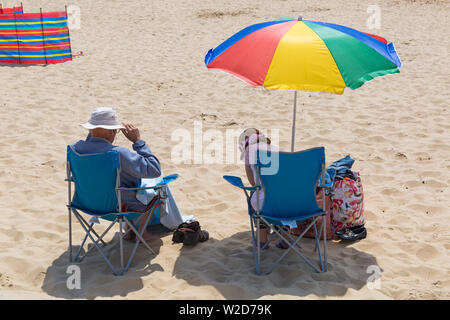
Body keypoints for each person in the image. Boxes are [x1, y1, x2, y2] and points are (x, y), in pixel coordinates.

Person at [71, 107, 163, 241]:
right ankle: (142, 233)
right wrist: (138, 141)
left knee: (120, 186)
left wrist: (94, 134)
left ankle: (130, 229)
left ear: (90, 129)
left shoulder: (74, 149)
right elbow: (154, 169)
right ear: (113, 131)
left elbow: (92, 144)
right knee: (155, 189)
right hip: (117, 208)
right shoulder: (118, 153)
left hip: (85, 204)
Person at [238, 128, 280, 248]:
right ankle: (285, 239)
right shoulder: (280, 152)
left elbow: (253, 183)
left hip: (266, 205)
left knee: (257, 198)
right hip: (292, 205)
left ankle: (262, 241)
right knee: (280, 196)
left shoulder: (249, 153)